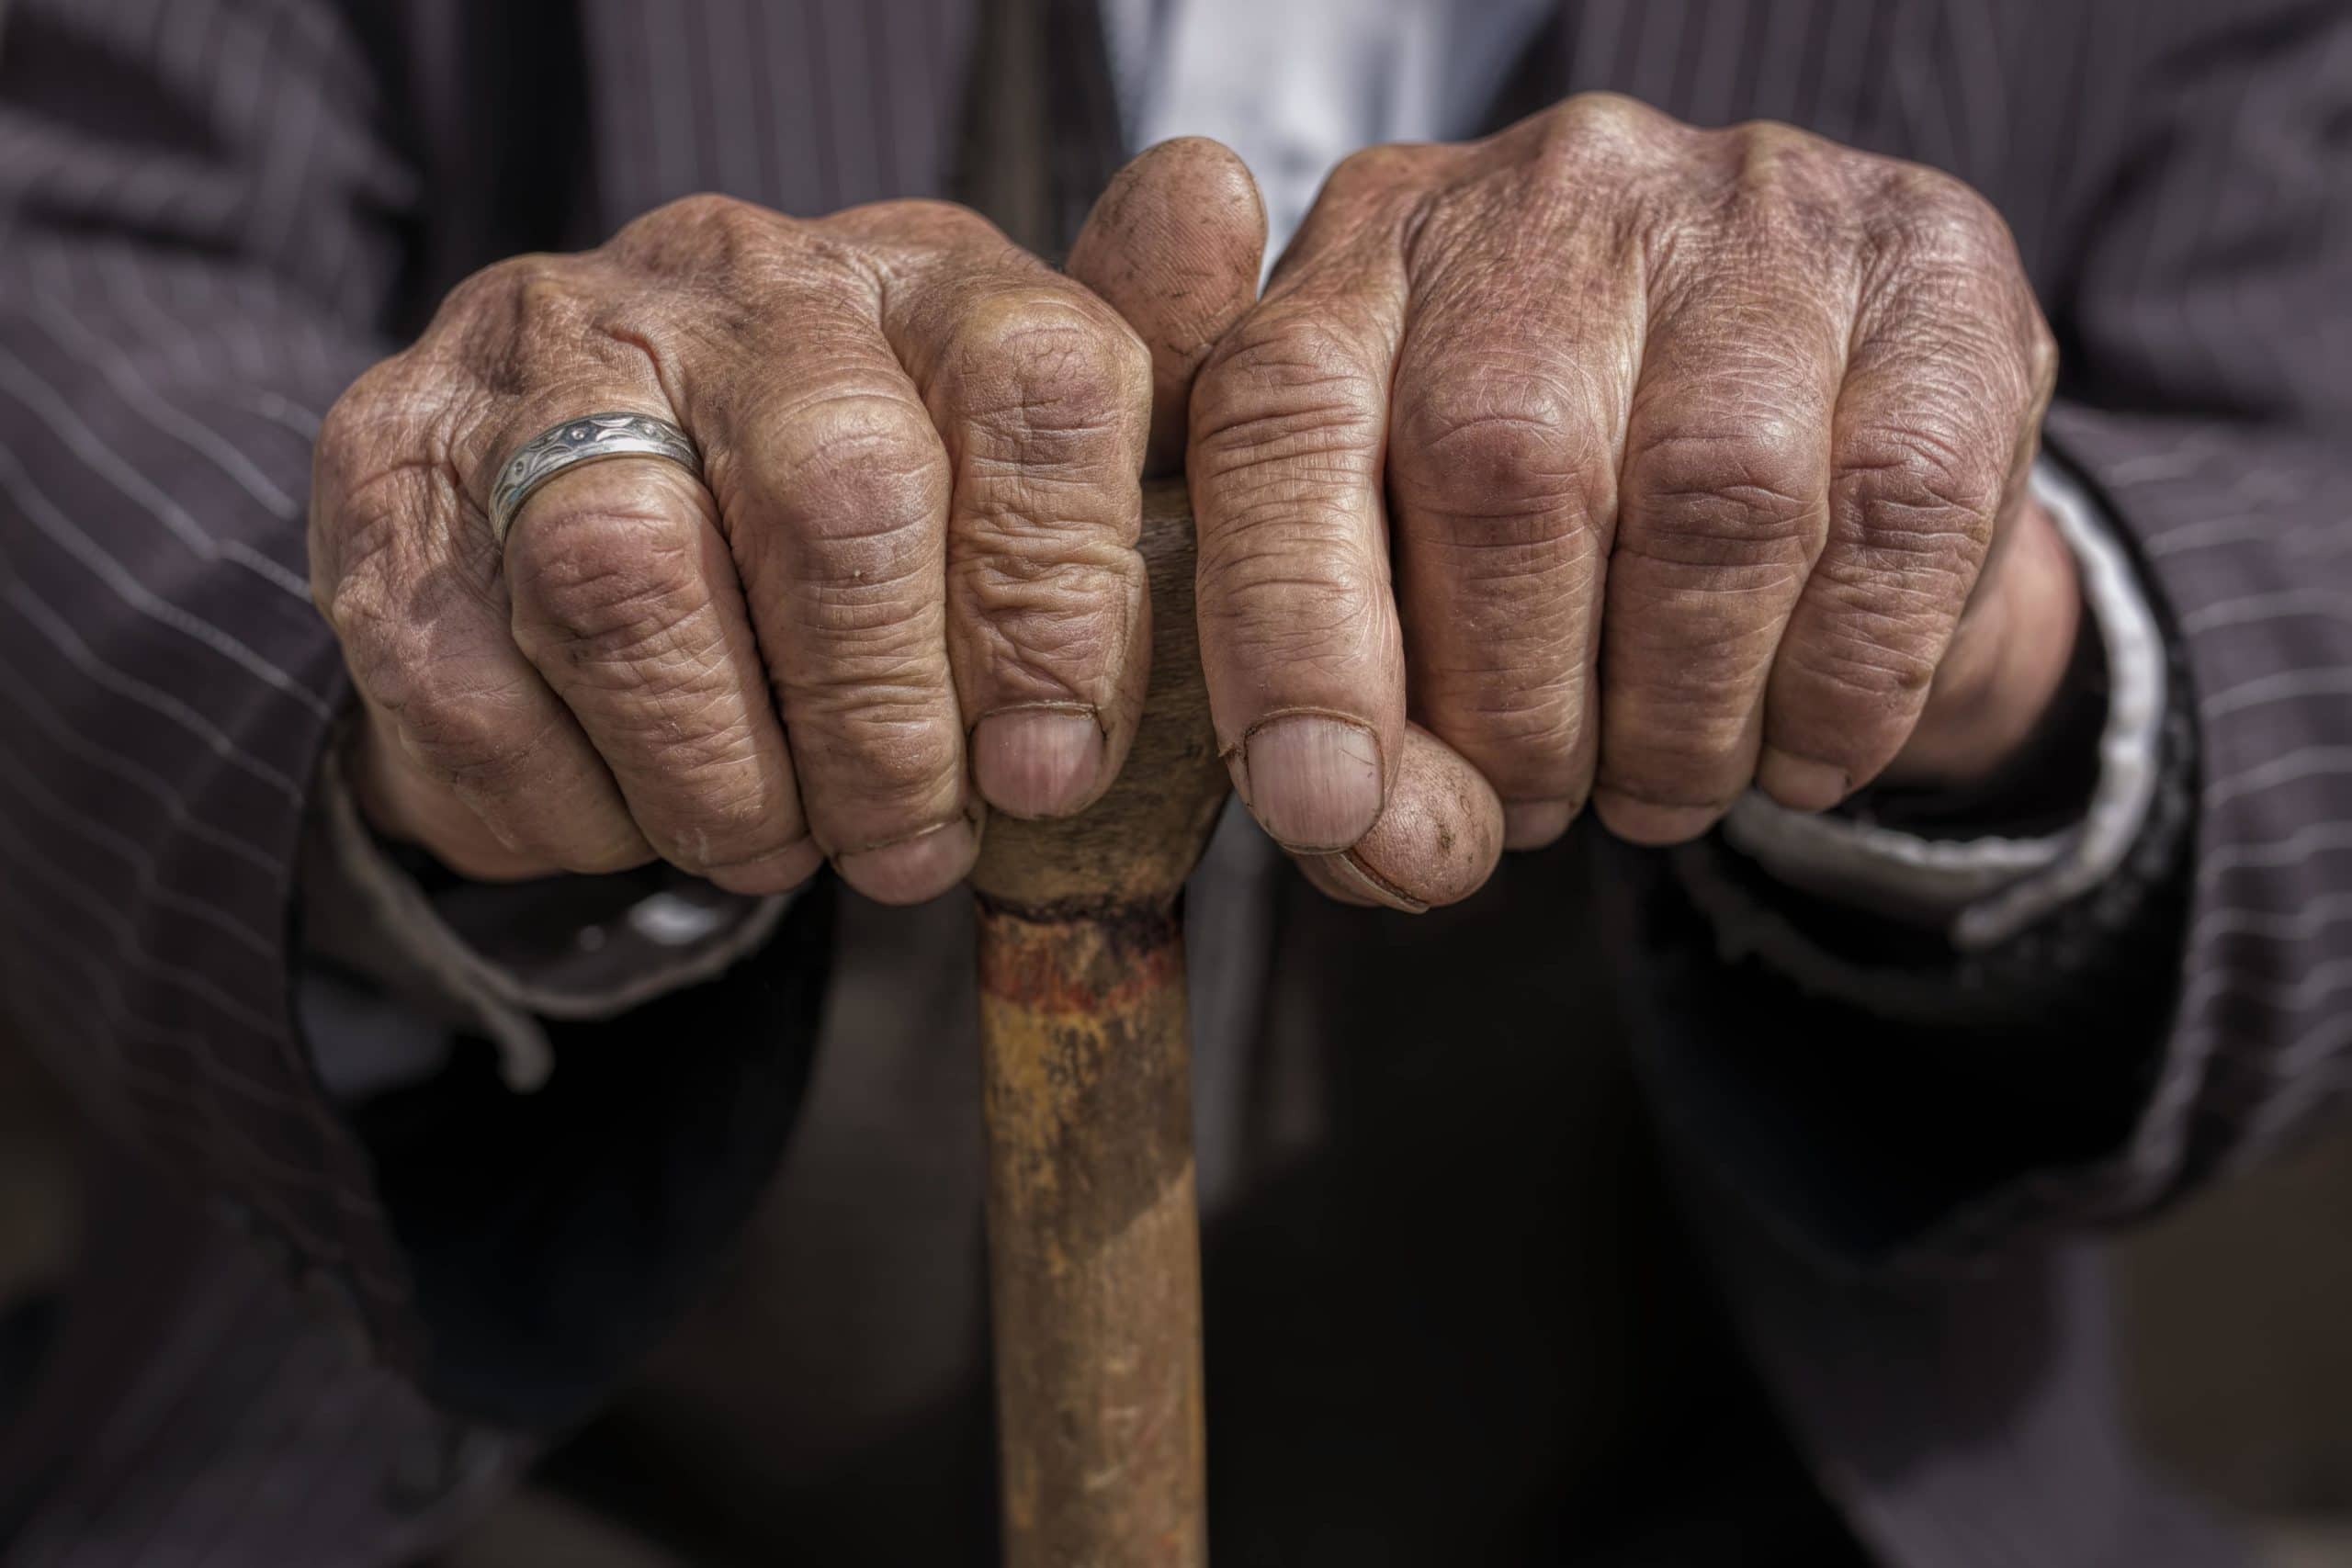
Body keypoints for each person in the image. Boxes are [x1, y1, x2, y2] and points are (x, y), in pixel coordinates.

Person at [0, 0, 2345, 1562]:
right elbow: (73, 294)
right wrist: (445, 621)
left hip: (1740, 1485)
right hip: (506, 1494)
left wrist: (1989, 624)